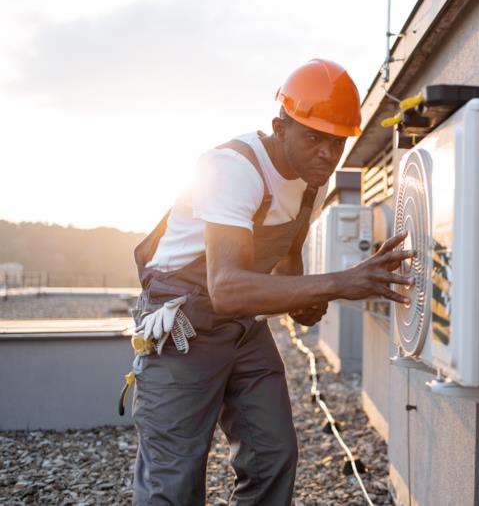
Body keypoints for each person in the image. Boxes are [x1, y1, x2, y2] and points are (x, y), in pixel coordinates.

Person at [127, 59, 413, 505]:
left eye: (336, 142)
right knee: (174, 477)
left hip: (242, 327)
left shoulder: (312, 183)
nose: (326, 153)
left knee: (272, 455)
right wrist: (339, 282)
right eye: (313, 137)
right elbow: (225, 288)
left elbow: (288, 259)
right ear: (280, 127)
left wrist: (305, 303)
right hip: (182, 323)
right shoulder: (233, 169)